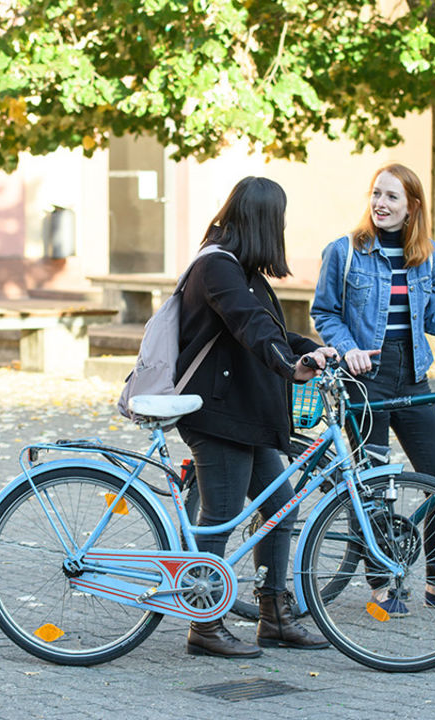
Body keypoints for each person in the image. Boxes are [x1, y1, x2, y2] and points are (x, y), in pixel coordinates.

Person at [310, 162, 435, 616]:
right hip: (364, 377)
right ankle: (381, 584)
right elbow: (324, 313)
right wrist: (346, 348)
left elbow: (432, 315)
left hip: (412, 374)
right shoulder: (346, 251)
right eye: (376, 194)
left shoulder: (426, 255)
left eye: (391, 197)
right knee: (374, 483)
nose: (380, 204)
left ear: (412, 207)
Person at [176, 176, 337, 658]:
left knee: (281, 509)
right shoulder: (216, 267)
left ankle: (274, 616)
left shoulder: (245, 272)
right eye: (279, 220)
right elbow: (248, 324)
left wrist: (314, 350)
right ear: (264, 221)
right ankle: (203, 625)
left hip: (250, 413)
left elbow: (272, 330)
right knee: (220, 516)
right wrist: (289, 367)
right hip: (218, 414)